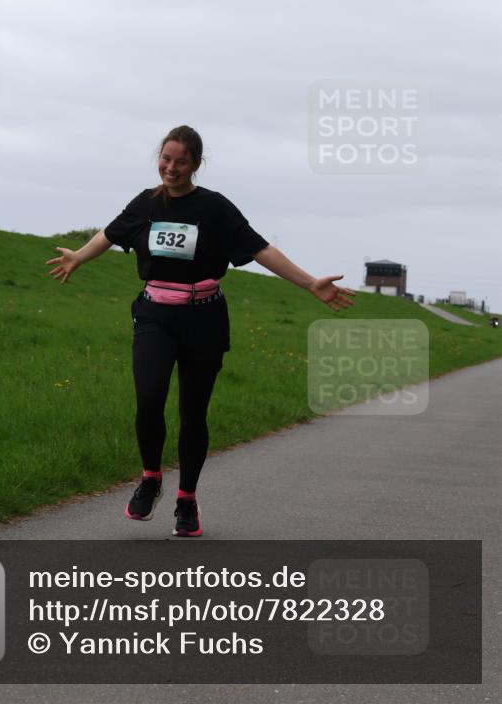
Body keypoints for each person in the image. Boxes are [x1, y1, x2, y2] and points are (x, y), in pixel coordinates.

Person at [46, 125, 355, 537]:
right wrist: (79, 258)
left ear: (196, 164)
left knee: (194, 412)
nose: (170, 168)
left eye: (181, 162)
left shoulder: (214, 208)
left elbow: (261, 249)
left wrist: (309, 282)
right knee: (149, 400)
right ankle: (151, 478)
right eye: (166, 159)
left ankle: (186, 501)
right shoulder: (145, 203)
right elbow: (111, 233)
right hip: (155, 315)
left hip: (204, 317)